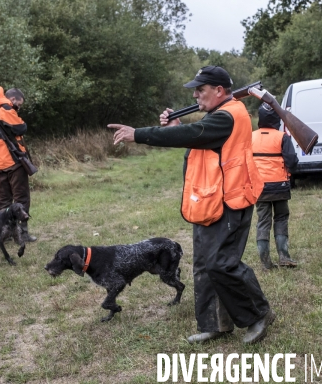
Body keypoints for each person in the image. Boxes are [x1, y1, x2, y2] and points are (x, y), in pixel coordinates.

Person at [108, 66, 275, 345]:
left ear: (219, 91)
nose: (196, 94)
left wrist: (138, 134)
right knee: (202, 266)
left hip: (231, 201)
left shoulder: (229, 115)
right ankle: (214, 324)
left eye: (201, 89)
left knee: (221, 264)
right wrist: (177, 129)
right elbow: (199, 142)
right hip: (210, 200)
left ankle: (260, 314)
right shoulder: (218, 115)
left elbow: (197, 133)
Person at [0, 86, 37, 242]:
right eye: (18, 105)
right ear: (12, 99)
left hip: (0, 161)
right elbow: (21, 127)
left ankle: (1, 232)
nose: (17, 108)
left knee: (4, 199)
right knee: (22, 198)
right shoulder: (6, 108)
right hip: (13, 161)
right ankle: (22, 233)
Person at [251, 104, 299, 269]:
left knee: (263, 221)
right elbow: (292, 161)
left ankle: (265, 263)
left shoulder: (251, 137)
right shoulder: (282, 137)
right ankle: (284, 257)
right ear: (277, 119)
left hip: (259, 188)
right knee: (281, 218)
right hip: (279, 186)